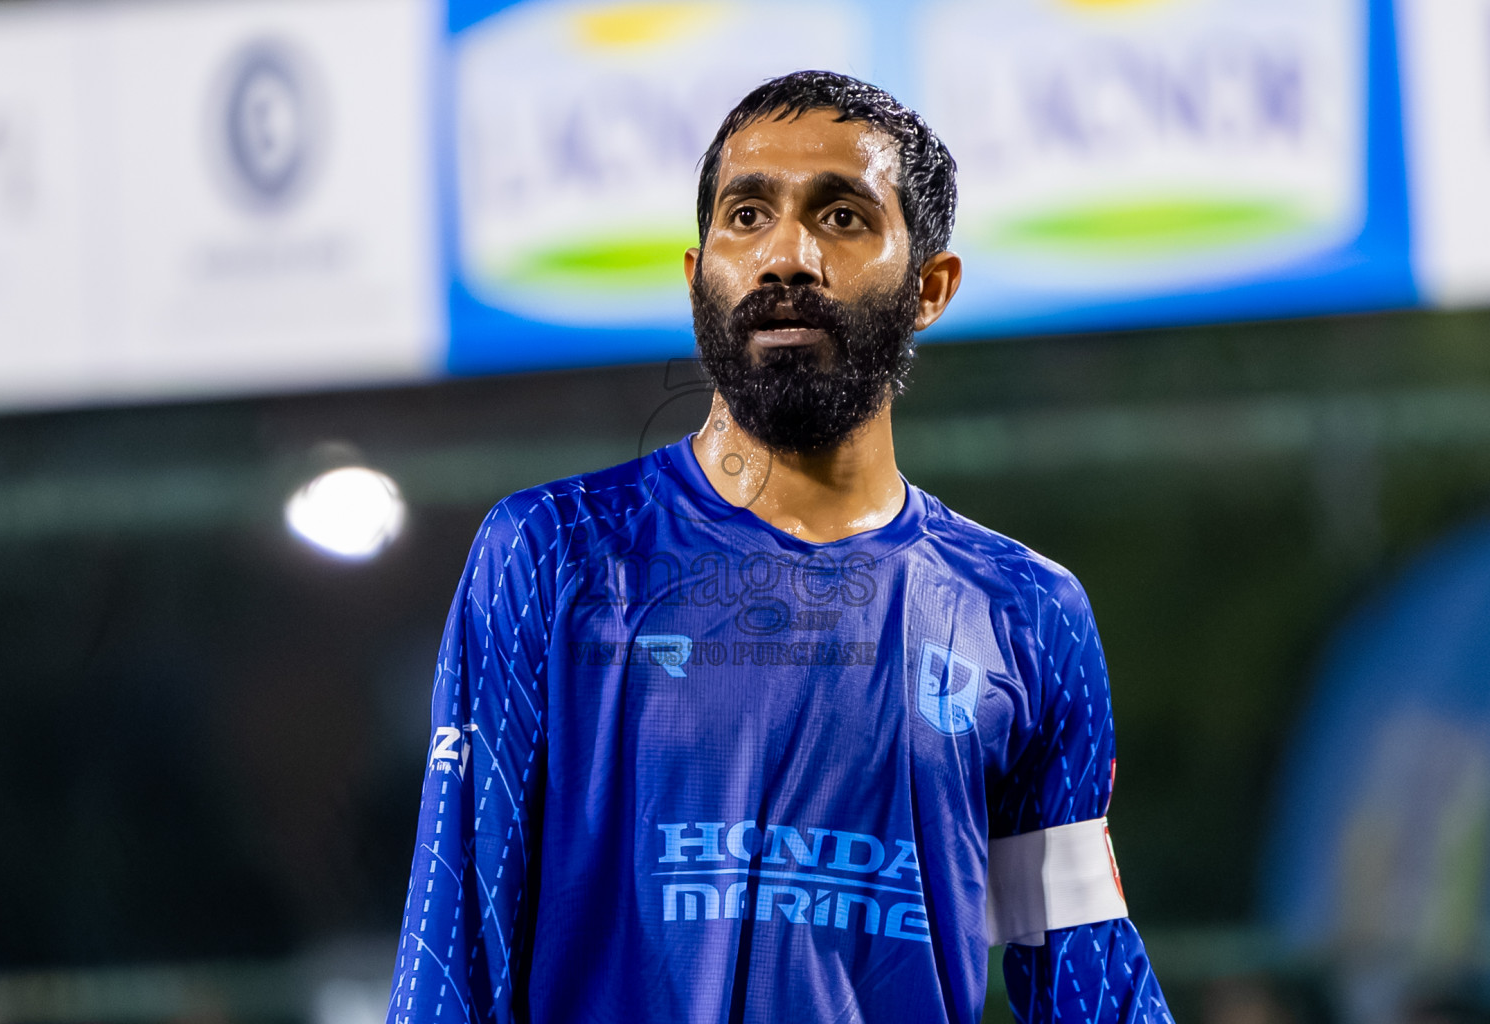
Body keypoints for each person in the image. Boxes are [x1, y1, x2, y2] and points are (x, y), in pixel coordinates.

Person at [388, 71, 1174, 1024]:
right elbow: (452, 953)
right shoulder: (550, 556)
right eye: (748, 215)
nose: (786, 256)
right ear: (697, 277)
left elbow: (1085, 968)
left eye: (841, 217)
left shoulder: (1030, 613)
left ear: (930, 288)